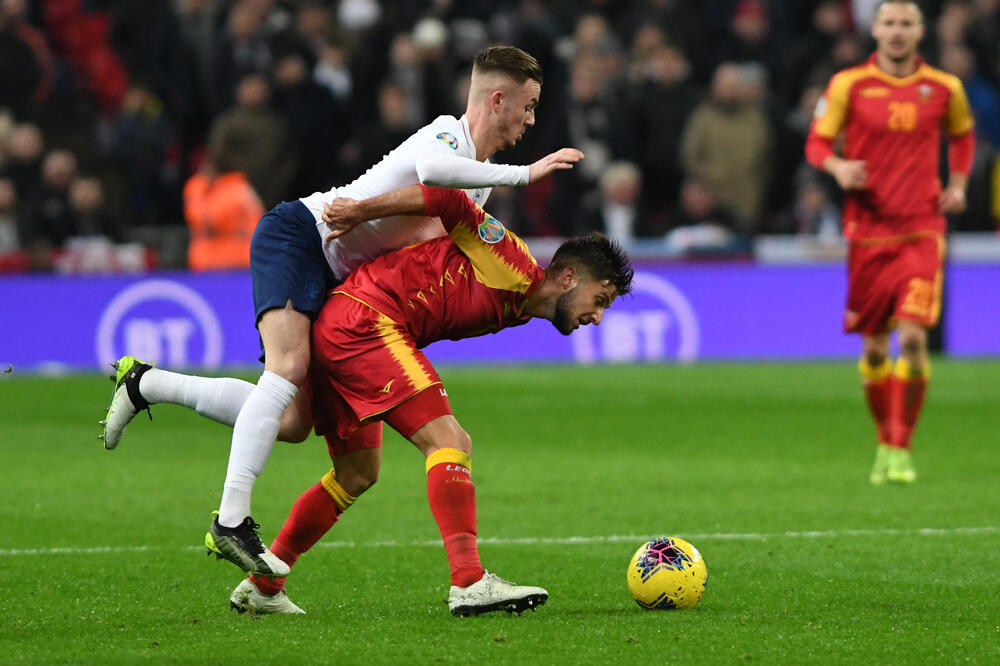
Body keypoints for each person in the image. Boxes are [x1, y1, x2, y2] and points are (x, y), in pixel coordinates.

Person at [100, 46, 584, 577]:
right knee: (286, 371)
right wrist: (529, 173)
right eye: (529, 105)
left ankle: (145, 384)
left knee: (290, 421)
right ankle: (231, 522)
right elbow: (431, 172)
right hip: (301, 235)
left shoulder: (483, 180)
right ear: (498, 99)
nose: (531, 119)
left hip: (341, 282)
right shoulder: (448, 135)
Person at [229, 182, 633, 616]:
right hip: (367, 322)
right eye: (601, 299)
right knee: (450, 443)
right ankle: (470, 582)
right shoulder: (511, 260)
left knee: (356, 473)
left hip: (341, 324)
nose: (598, 316)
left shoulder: (522, 302)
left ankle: (264, 585)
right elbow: (448, 200)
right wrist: (361, 211)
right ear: (569, 276)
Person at [805, 0, 975, 484]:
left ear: (920, 31)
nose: (897, 31)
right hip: (868, 231)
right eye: (889, 23)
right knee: (876, 349)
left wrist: (958, 185)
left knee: (916, 338)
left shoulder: (945, 88)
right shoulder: (848, 85)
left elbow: (963, 136)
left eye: (906, 23)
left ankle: (902, 445)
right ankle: (885, 437)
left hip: (923, 228)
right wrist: (838, 167)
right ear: (874, 29)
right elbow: (817, 142)